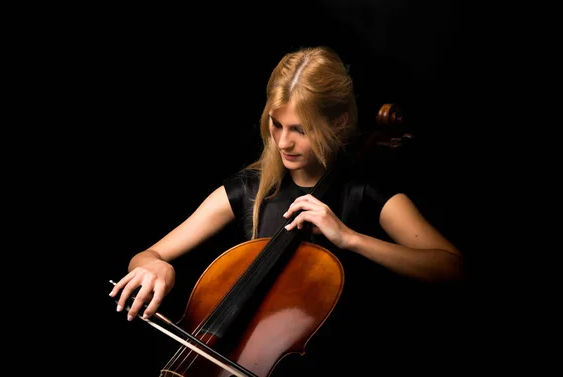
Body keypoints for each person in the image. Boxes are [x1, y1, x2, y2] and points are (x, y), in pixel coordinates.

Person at [109, 45, 466, 375]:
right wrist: (155, 266)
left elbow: (452, 268)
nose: (283, 142)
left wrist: (351, 238)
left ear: (338, 124)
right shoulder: (250, 188)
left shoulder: (366, 192)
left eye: (300, 130)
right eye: (276, 124)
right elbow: (147, 255)